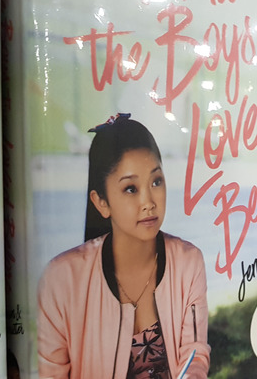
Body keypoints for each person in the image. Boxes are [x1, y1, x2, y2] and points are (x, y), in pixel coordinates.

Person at [38, 114, 210, 378]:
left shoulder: (189, 262)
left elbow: (195, 354)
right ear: (101, 202)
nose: (148, 201)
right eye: (131, 188)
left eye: (156, 181)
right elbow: (51, 372)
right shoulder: (61, 279)